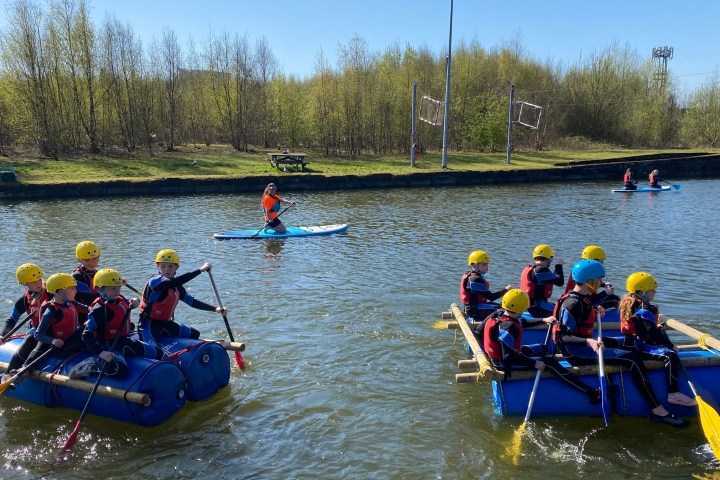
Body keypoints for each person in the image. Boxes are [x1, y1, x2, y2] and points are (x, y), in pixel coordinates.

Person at [554, 260, 688, 427]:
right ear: (589, 281)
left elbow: (582, 318)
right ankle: (658, 410)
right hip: (576, 352)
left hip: (584, 346)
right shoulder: (572, 303)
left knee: (627, 342)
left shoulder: (583, 299)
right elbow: (563, 337)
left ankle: (656, 358)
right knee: (633, 359)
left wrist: (596, 312)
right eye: (599, 279)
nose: (602, 283)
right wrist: (588, 341)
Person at [482, 288, 602, 404]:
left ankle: (551, 363)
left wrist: (544, 320)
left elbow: (520, 322)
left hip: (502, 357)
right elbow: (509, 356)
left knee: (542, 348)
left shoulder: (499, 315)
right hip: (506, 362)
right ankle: (589, 391)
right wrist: (535, 364)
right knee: (550, 362)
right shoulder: (509, 327)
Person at [618, 272, 696, 407]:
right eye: (652, 289)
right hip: (638, 347)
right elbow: (652, 332)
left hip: (630, 342)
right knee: (670, 356)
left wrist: (656, 326)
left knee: (666, 350)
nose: (655, 291)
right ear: (641, 291)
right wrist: (671, 346)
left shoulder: (629, 302)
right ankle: (673, 393)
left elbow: (644, 326)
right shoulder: (645, 308)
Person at [71, 268, 164, 379]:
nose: (117, 291)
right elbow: (86, 336)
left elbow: (132, 302)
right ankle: (90, 365)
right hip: (109, 345)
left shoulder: (120, 299)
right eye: (112, 288)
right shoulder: (99, 309)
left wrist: (135, 301)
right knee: (120, 370)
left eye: (118, 287)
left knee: (159, 354)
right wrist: (101, 353)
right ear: (99, 289)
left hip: (124, 341)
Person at [138, 249, 227, 347]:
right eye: (163, 266)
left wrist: (215, 309)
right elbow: (174, 282)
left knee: (195, 334)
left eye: (170, 266)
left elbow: (193, 302)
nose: (167, 269)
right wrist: (200, 270)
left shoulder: (178, 288)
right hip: (148, 325)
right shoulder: (154, 282)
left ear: (177, 267)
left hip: (165, 324)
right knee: (152, 351)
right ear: (157, 266)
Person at [1, 263, 50, 343]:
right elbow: (12, 320)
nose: (38, 283)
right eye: (33, 282)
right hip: (38, 330)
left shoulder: (52, 291)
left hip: (56, 327)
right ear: (25, 283)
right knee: (29, 340)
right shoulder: (24, 299)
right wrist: (1, 335)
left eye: (39, 279)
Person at [460, 250, 513, 321]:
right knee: (504, 308)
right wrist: (506, 290)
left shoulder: (473, 276)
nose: (487, 266)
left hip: (473, 307)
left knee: (502, 303)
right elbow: (491, 297)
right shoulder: (475, 279)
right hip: (474, 311)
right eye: (484, 264)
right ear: (474, 265)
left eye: (487, 264)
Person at [520, 244, 565, 317]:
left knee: (558, 306)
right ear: (548, 259)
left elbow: (553, 278)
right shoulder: (540, 270)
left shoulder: (533, 269)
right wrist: (558, 266)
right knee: (564, 311)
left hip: (530, 306)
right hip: (536, 307)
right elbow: (560, 282)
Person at [72, 240, 102, 305]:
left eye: (94, 258)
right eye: (87, 260)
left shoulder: (98, 273)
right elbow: (88, 300)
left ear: (98, 257)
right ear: (80, 260)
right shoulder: (77, 276)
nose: (91, 262)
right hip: (83, 313)